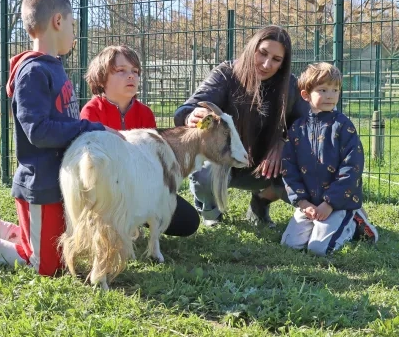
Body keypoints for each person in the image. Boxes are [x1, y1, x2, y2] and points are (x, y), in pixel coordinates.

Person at [0, 0, 121, 276]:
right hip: (40, 183)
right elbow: (39, 131)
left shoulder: (54, 66)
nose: (74, 32)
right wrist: (89, 127)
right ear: (58, 21)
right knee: (44, 266)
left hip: (58, 181)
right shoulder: (32, 72)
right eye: (73, 24)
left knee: (51, 250)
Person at [174, 25, 309, 227]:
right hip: (223, 161)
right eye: (262, 53)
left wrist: (284, 142)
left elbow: (307, 125)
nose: (266, 64)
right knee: (203, 168)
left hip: (264, 167)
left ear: (283, 63)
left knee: (305, 161)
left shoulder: (289, 85)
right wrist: (190, 115)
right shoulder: (226, 73)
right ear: (251, 47)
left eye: (276, 59)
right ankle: (211, 211)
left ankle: (261, 201)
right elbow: (187, 108)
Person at [80, 44, 200, 236]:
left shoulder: (145, 114)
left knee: (189, 221)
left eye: (135, 71)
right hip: (106, 191)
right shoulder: (91, 111)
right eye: (121, 71)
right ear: (102, 78)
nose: (131, 76)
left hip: (141, 188)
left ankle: (137, 220)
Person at [280, 62, 378, 255]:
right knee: (290, 245)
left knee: (319, 249)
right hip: (309, 204)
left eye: (335, 90)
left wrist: (330, 203)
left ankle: (353, 222)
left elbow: (352, 168)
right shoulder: (297, 129)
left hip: (338, 202)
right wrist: (302, 202)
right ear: (306, 95)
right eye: (323, 90)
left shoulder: (344, 126)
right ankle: (321, 222)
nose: (330, 95)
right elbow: (288, 168)